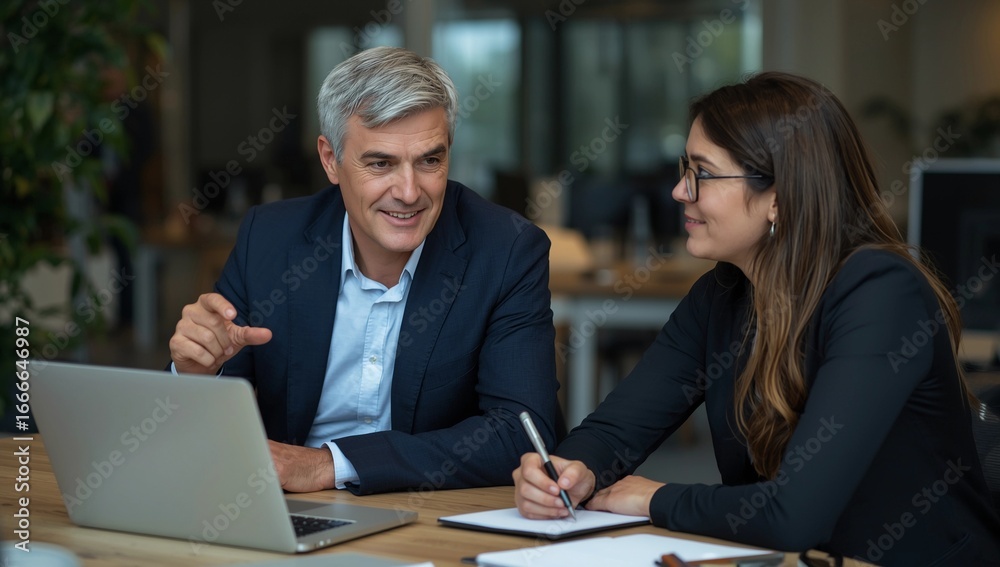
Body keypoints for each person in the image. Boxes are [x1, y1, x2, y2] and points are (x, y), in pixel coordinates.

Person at [513, 72, 1000, 565]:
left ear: (779, 197)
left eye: (702, 172)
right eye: (686, 168)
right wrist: (571, 471)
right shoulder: (720, 294)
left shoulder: (880, 292)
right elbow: (614, 432)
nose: (681, 191)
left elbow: (795, 514)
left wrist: (651, 498)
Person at [168, 46, 560, 495]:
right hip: (290, 513)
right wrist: (197, 372)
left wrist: (330, 465)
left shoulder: (507, 250)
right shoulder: (270, 239)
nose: (409, 192)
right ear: (330, 160)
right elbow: (200, 433)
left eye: (430, 160)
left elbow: (520, 433)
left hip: (430, 518)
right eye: (380, 163)